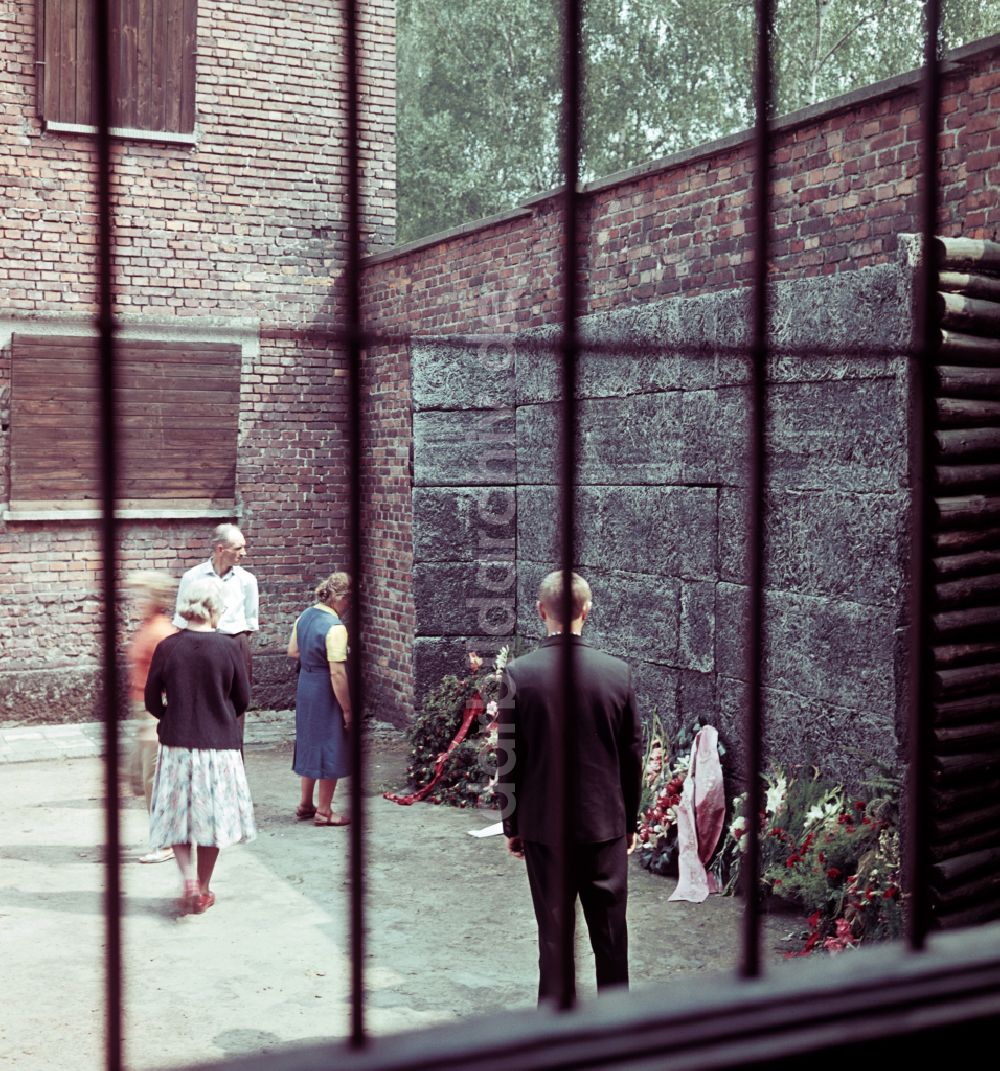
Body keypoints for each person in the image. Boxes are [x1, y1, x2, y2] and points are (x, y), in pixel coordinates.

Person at [497, 570, 643, 1004]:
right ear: (587, 610)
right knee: (611, 936)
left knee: (555, 938)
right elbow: (631, 756)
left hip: (544, 825)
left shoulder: (519, 674)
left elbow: (508, 756)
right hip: (604, 825)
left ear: (541, 612)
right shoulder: (617, 673)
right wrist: (630, 820)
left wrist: (512, 824)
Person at [146, 577, 256, 914]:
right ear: (215, 609)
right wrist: (220, 716)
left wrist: (170, 715)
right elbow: (243, 700)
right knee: (214, 820)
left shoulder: (167, 647)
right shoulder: (229, 648)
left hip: (177, 744)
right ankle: (205, 886)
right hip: (219, 747)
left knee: (178, 815)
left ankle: (187, 879)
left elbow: (152, 699)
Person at [287, 572, 353, 827]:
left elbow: (293, 651)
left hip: (306, 685)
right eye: (349, 601)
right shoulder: (335, 628)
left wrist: (312, 657)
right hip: (325, 687)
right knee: (331, 743)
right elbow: (337, 672)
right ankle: (324, 811)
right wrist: (347, 710)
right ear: (342, 598)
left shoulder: (306, 615)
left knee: (310, 741)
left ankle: (305, 804)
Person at [174, 523, 258, 708]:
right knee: (202, 698)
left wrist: (233, 642)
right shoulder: (192, 577)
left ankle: (235, 737)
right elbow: (181, 621)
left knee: (237, 699)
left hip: (235, 642)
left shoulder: (247, 580)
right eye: (238, 548)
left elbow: (250, 622)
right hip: (199, 644)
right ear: (220, 549)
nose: (244, 553)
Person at [125, 571, 178, 864]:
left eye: (141, 595)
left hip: (154, 711)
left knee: (154, 780)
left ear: (155, 598)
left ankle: (167, 842)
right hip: (142, 710)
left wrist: (159, 718)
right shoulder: (147, 626)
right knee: (145, 779)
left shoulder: (161, 632)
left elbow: (173, 679)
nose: (136, 600)